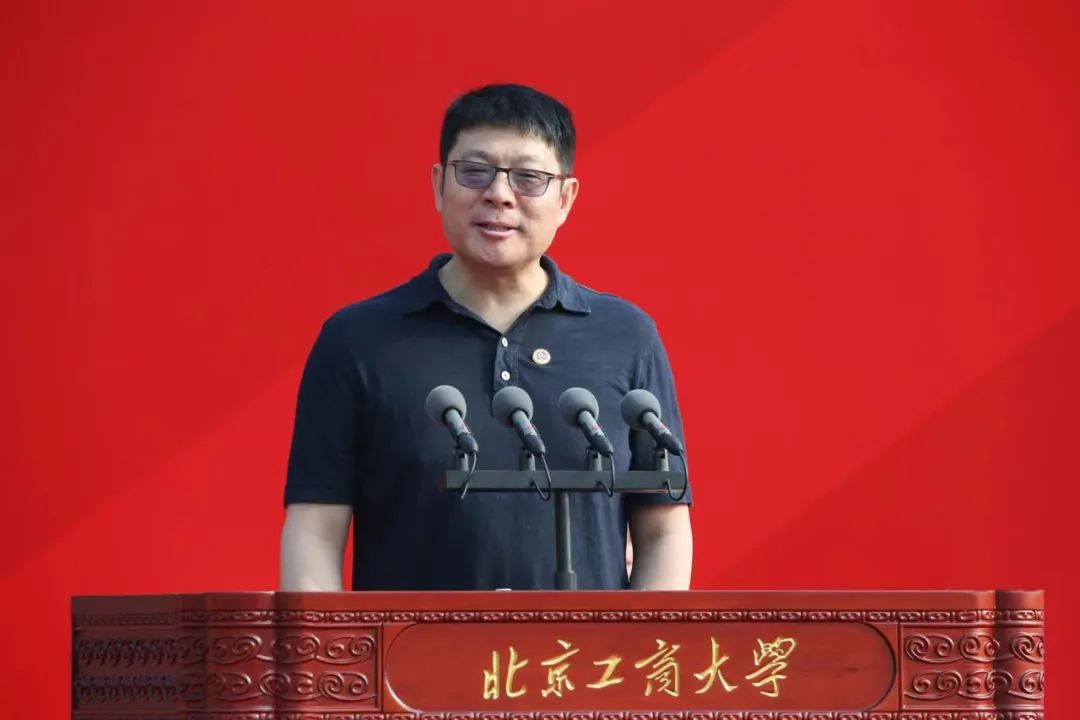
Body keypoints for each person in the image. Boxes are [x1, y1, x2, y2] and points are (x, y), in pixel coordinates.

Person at [280, 83, 692, 591]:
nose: (499, 194)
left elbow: (663, 530)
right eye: (474, 171)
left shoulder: (625, 336)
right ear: (438, 185)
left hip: (581, 647)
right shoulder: (359, 340)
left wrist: (637, 641)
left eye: (528, 177)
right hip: (409, 647)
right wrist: (325, 644)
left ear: (566, 198)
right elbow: (315, 530)